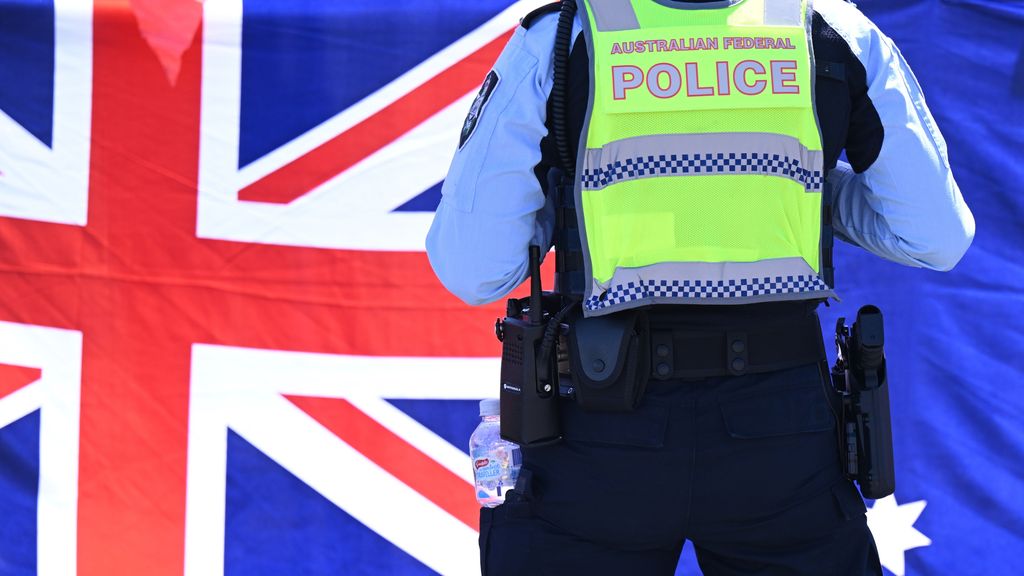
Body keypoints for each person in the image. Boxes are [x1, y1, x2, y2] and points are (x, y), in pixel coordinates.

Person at [426, 0, 975, 574]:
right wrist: (806, 192)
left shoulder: (564, 35)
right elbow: (935, 237)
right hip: (780, 435)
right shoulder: (833, 27)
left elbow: (473, 267)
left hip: (598, 425)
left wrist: (567, 209)